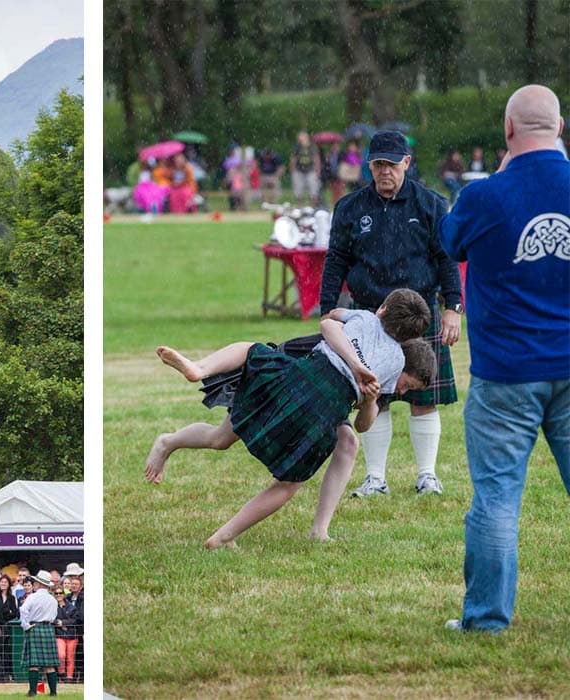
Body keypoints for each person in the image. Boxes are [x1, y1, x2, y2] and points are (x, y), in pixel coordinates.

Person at [145, 289, 435, 548]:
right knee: (287, 482)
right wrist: (359, 371)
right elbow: (330, 329)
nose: (403, 391)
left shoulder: (363, 319)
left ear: (383, 309)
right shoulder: (392, 360)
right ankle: (223, 535)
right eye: (407, 386)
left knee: (249, 354)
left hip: (291, 382)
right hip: (311, 391)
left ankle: (199, 370)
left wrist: (368, 392)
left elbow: (330, 319)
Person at [438, 84, 569, 633]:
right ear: (559, 127)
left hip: (505, 375)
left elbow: (450, 242)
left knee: (496, 499)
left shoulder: (484, 195)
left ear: (508, 130)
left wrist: (497, 180)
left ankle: (487, 619)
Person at [320, 130, 463, 499]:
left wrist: (453, 308)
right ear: (369, 165)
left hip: (418, 314)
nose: (385, 172)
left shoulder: (431, 205)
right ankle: (375, 478)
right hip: (368, 312)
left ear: (406, 163)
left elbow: (445, 259)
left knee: (423, 395)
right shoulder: (350, 208)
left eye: (391, 164)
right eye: (377, 164)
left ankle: (427, 476)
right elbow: (336, 260)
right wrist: (326, 311)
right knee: (372, 393)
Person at [19, 570, 60, 697]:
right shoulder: (53, 599)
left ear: (38, 583)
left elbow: (23, 610)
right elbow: (53, 617)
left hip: (34, 628)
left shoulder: (32, 597)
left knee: (34, 663)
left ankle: (33, 691)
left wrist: (25, 625)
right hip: (48, 629)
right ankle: (53, 692)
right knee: (50, 664)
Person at [52, 585, 78, 683]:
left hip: (72, 635)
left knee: (70, 657)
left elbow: (75, 619)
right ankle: (61, 673)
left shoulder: (71, 606)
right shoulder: (53, 607)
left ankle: (69, 677)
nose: (58, 595)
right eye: (56, 593)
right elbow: (50, 618)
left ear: (64, 594)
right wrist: (59, 624)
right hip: (59, 634)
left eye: (60, 593)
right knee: (61, 655)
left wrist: (63, 623)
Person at [290, 131, 321, 207]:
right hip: (298, 171)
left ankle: (313, 206)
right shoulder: (297, 147)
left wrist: (317, 171)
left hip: (310, 170)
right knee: (298, 190)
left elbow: (316, 159)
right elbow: (293, 159)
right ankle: (299, 206)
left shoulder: (312, 147)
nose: (300, 140)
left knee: (313, 189)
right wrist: (292, 171)